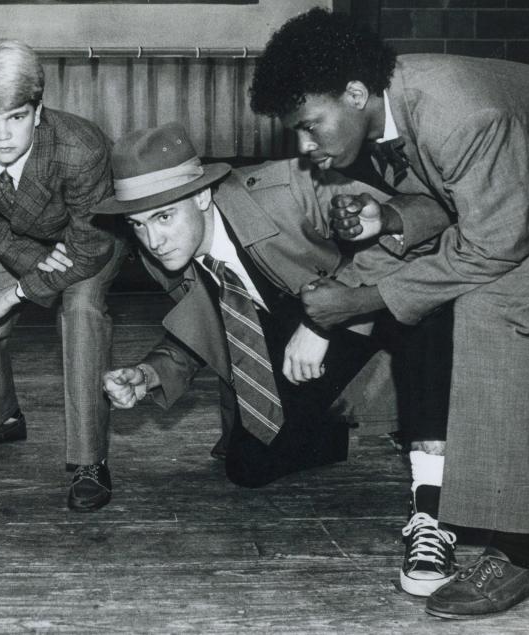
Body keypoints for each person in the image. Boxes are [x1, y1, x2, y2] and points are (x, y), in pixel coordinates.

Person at [249, 7, 529, 619]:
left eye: (310, 127)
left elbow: (495, 241)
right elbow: (457, 199)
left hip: (519, 219)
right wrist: (391, 218)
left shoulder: (459, 113)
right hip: (523, 203)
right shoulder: (393, 104)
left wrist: (363, 300)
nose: (306, 148)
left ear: (355, 94)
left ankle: (519, 550)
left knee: (490, 305)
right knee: (453, 281)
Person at [93, 122, 455, 594]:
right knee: (247, 467)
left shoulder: (292, 187)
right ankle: (363, 423)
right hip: (291, 343)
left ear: (202, 197)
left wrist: (325, 317)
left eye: (163, 217)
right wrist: (148, 373)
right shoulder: (163, 251)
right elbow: (207, 321)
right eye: (138, 225)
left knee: (423, 308)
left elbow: (427, 212)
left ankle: (430, 506)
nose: (153, 239)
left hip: (371, 306)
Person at [0, 40, 126, 511]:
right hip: (24, 240)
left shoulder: (81, 147)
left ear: (37, 111)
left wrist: (18, 292)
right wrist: (33, 267)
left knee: (79, 313)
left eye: (16, 117)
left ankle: (89, 461)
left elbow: (89, 247)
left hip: (90, 240)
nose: (1, 135)